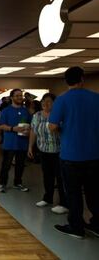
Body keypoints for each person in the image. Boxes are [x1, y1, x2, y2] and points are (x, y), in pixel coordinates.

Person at [49, 67, 99, 239]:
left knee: (73, 193)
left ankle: (76, 227)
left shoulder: (62, 100)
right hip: (94, 154)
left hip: (71, 155)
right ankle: (97, 225)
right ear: (82, 79)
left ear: (66, 81)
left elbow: (53, 126)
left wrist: (65, 128)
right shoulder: (96, 97)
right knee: (94, 192)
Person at [28, 93, 68, 214]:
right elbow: (33, 131)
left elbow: (64, 132)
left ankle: (64, 203)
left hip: (59, 151)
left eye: (49, 101)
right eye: (43, 101)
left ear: (54, 103)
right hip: (44, 151)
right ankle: (48, 198)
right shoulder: (37, 115)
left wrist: (57, 129)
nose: (45, 104)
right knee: (47, 176)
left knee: (60, 178)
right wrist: (30, 146)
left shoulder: (60, 115)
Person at [0, 89, 31, 193]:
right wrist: (13, 129)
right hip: (10, 143)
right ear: (12, 97)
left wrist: (28, 130)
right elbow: (1, 126)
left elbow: (30, 125)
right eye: (17, 96)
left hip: (22, 143)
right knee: (6, 165)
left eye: (20, 96)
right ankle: (3, 184)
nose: (19, 98)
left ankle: (18, 183)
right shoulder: (6, 111)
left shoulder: (26, 111)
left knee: (20, 165)